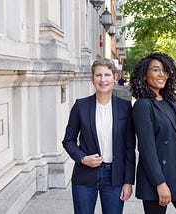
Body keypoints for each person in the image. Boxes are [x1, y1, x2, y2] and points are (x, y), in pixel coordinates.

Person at [129, 52, 176, 214]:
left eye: (165, 70)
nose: (162, 74)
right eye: (155, 70)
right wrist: (160, 183)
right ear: (144, 74)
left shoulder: (169, 100)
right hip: (157, 178)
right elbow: (147, 148)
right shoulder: (143, 105)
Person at [62, 58, 136, 214]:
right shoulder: (80, 106)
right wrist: (83, 158)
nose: (103, 79)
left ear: (115, 78)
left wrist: (128, 181)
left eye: (107, 75)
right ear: (92, 79)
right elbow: (68, 140)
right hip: (84, 176)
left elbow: (130, 147)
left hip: (114, 177)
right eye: (99, 75)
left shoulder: (125, 107)